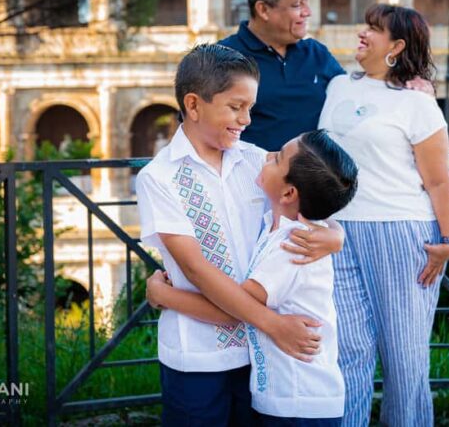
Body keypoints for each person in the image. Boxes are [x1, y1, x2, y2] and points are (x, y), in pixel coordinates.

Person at [136, 44, 344, 426]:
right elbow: (196, 271)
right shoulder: (158, 178)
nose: (247, 119)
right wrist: (274, 324)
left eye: (250, 107)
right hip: (198, 356)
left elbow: (306, 201)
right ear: (194, 105)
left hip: (261, 358)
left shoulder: (256, 160)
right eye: (236, 107)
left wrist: (336, 234)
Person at [148, 129, 359, 426]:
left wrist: (163, 296)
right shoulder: (279, 229)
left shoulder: (290, 247)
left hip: (298, 400)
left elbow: (232, 308)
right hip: (289, 396)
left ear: (289, 193)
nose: (268, 155)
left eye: (278, 158)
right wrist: (337, 234)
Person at [318, 4, 449, 427]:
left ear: (396, 46)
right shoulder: (339, 87)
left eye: (374, 29)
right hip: (337, 232)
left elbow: (439, 182)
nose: (363, 33)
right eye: (366, 25)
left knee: (404, 358)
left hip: (401, 232)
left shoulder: (418, 105)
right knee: (348, 350)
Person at [220, 0, 435, 153]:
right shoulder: (223, 58)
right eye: (297, 4)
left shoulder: (317, 54)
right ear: (264, 10)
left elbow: (359, 94)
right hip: (252, 190)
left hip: (315, 191)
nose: (308, 12)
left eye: (306, 2)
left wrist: (412, 85)